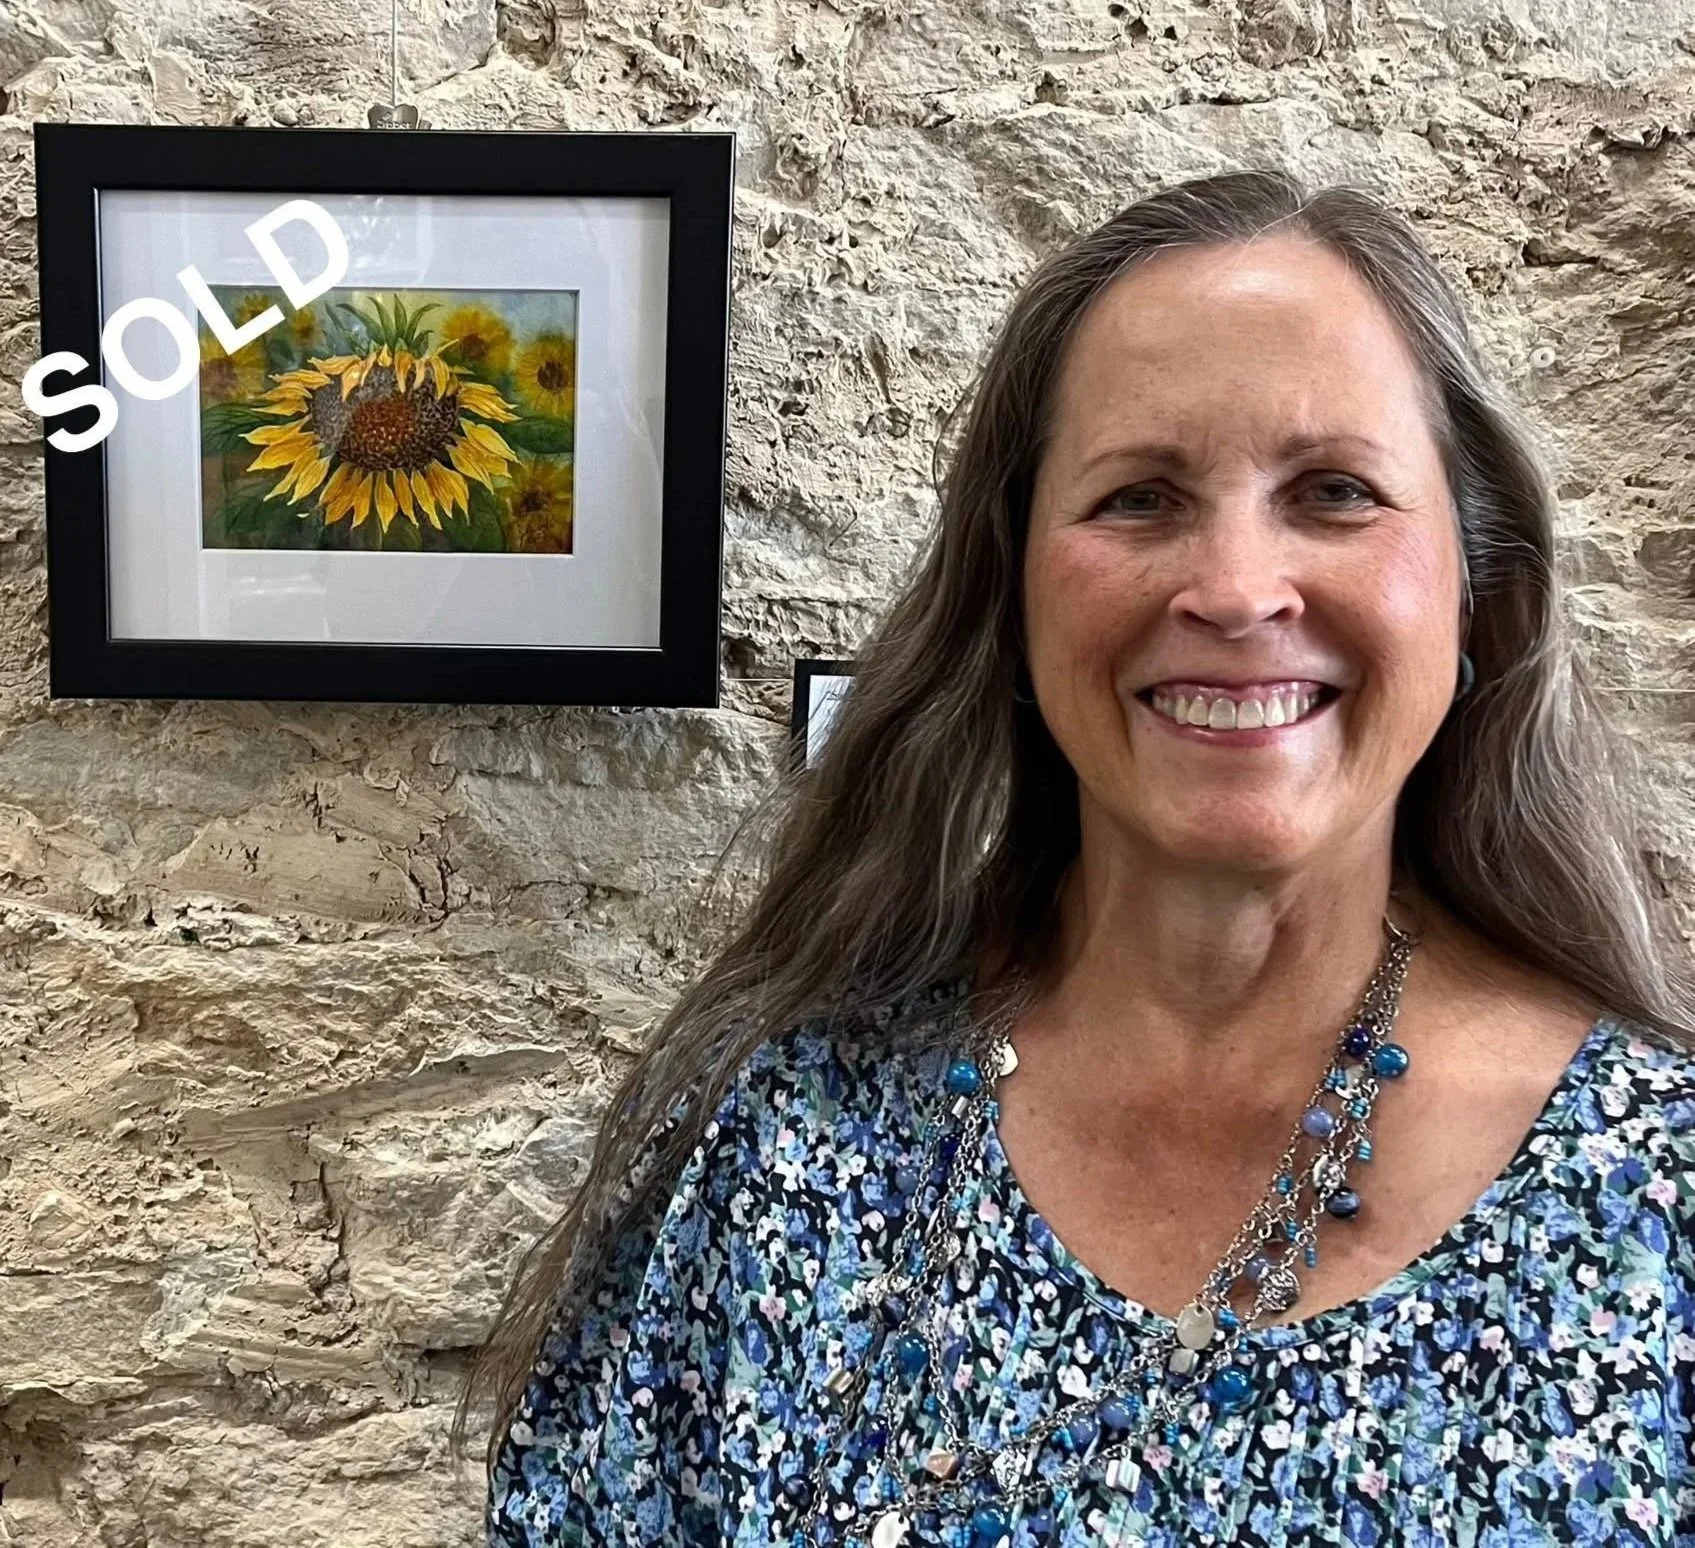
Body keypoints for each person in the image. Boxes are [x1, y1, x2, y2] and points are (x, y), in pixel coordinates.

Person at [462, 167, 1695, 1547]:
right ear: (1012, 592)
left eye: (1334, 491)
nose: (1233, 589)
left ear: (1479, 587)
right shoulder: (786, 1127)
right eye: (1137, 499)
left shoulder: (1656, 1189)